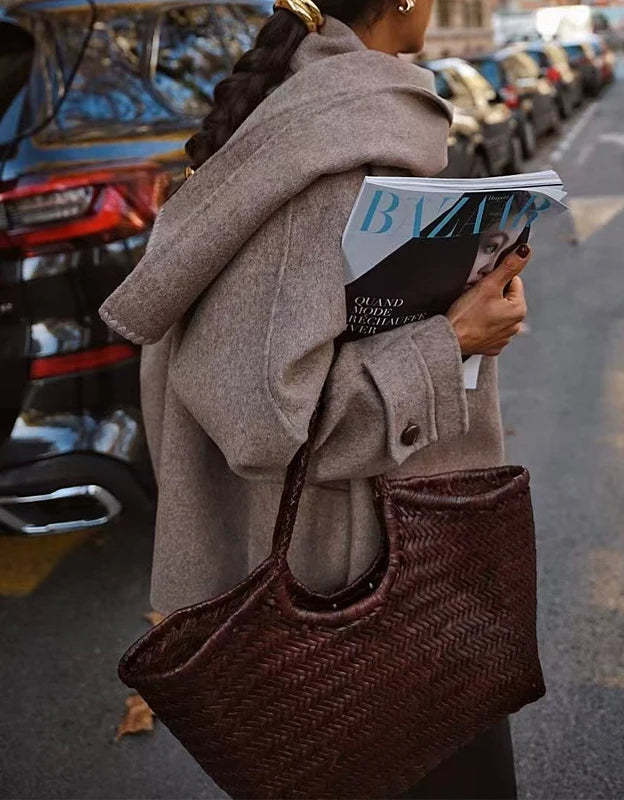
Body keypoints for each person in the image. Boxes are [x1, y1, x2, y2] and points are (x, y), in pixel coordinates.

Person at [99, 0, 531, 798]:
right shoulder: (328, 157)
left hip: (376, 572)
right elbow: (266, 420)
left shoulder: (312, 130)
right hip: (364, 592)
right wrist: (452, 343)